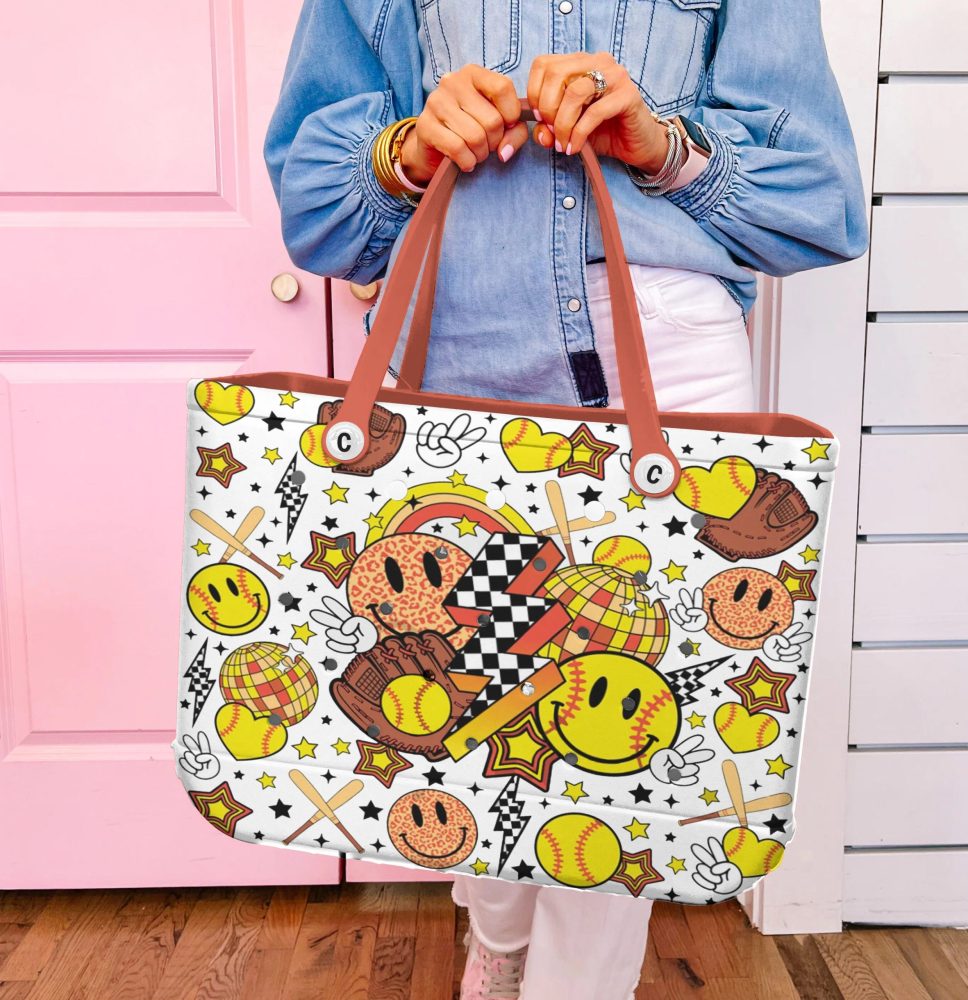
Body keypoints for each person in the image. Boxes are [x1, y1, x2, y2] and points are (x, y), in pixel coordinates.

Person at [264, 2, 868, 997]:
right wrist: (407, 151)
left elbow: (820, 199)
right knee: (464, 706)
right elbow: (316, 212)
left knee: (614, 737)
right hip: (452, 344)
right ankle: (497, 936)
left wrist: (665, 146)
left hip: (661, 360)